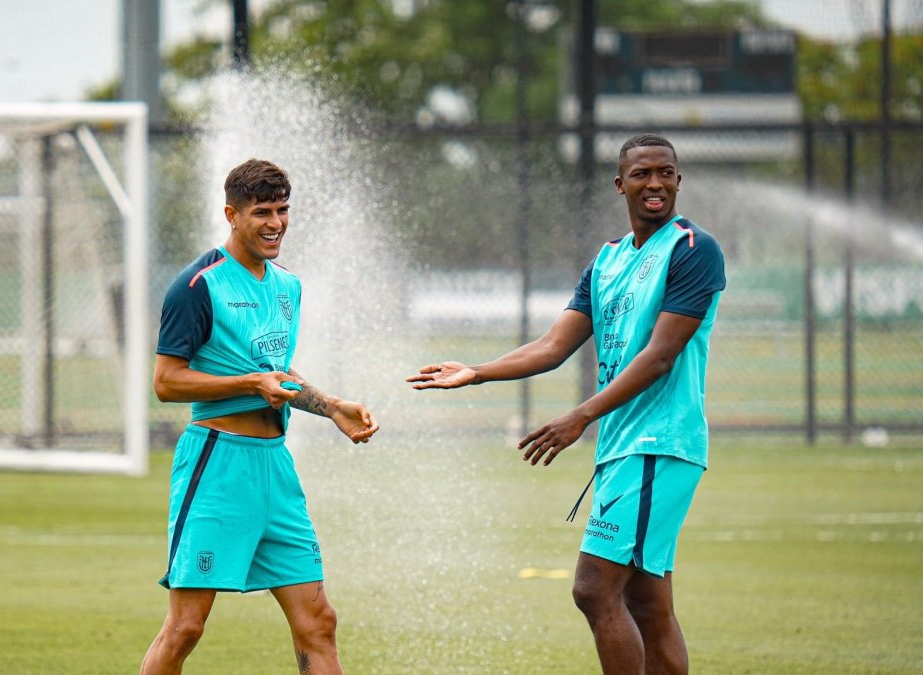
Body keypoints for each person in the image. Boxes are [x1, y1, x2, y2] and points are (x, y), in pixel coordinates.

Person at [408, 134, 725, 675]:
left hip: (660, 443)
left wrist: (581, 415)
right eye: (643, 174)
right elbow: (554, 347)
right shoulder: (606, 263)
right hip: (625, 446)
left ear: (678, 179)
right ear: (619, 184)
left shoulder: (693, 249)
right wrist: (476, 372)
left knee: (593, 589)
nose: (655, 184)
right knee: (647, 604)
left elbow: (662, 355)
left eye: (666, 173)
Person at [141, 159, 379, 675]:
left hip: (275, 467)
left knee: (319, 621)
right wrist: (253, 384)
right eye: (261, 212)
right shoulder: (196, 286)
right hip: (216, 466)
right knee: (185, 628)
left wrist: (330, 405)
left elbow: (275, 372)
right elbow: (166, 382)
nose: (275, 223)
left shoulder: (287, 286)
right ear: (231, 214)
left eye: (282, 210)